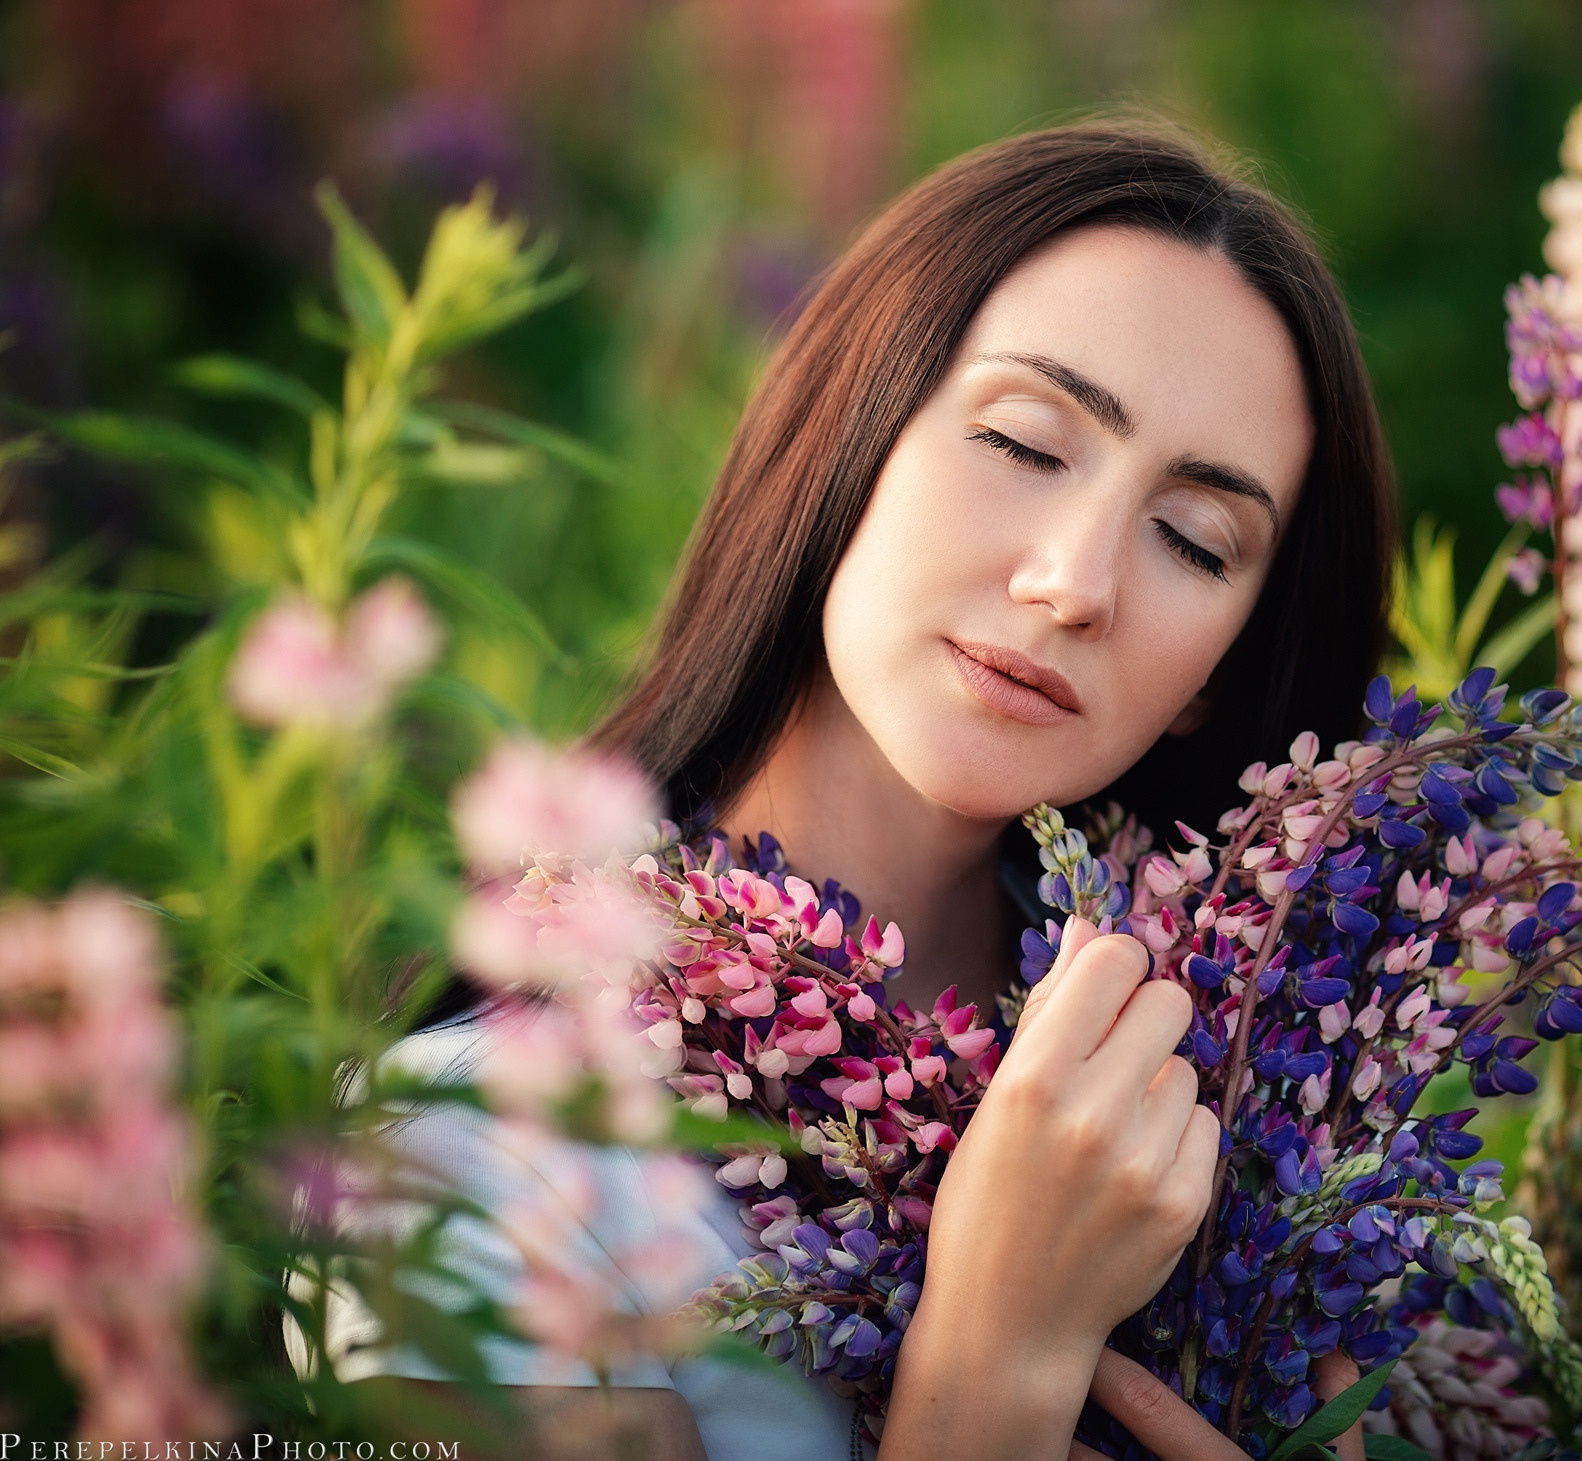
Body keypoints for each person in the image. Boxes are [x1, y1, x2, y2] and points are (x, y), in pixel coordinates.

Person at [290, 120, 1397, 1461]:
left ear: (1223, 674)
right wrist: (994, 1359)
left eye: (1193, 539)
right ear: (847, 433)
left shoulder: (1266, 1136)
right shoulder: (474, 1161)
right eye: (1024, 442)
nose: (1075, 581)